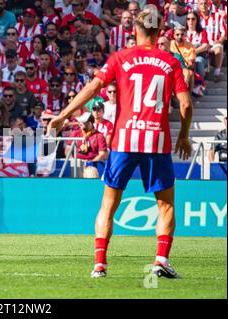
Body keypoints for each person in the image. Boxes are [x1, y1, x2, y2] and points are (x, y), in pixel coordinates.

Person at [48, 8, 193, 279]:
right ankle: (161, 259)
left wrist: (63, 115)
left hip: (124, 140)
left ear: (135, 31)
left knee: (108, 205)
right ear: (159, 32)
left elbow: (92, 88)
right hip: (156, 141)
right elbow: (185, 103)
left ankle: (100, 265)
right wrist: (184, 135)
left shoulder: (120, 58)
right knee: (166, 205)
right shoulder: (171, 61)